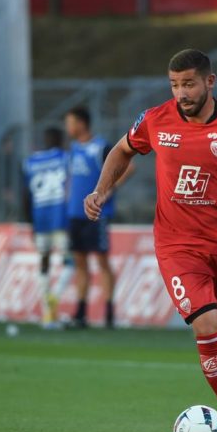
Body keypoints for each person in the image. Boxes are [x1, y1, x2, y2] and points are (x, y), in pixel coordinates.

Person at [83, 48, 217, 432]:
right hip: (178, 247)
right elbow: (122, 149)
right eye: (174, 85)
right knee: (207, 329)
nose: (181, 93)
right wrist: (101, 190)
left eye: (188, 84)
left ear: (210, 82)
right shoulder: (155, 119)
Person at [64, 106, 131, 328]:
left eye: (71, 122)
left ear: (82, 123)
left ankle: (109, 313)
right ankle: (80, 313)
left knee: (102, 261)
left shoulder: (101, 147)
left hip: (97, 214)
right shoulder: (73, 149)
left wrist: (109, 190)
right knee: (80, 262)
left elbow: (128, 167)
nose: (68, 127)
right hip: (75, 213)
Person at [23, 127, 71, 328]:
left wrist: (31, 223)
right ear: (60, 140)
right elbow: (71, 187)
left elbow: (26, 195)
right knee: (69, 261)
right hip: (61, 218)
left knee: (44, 260)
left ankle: (46, 311)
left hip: (40, 219)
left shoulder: (31, 162)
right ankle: (55, 297)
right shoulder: (66, 158)